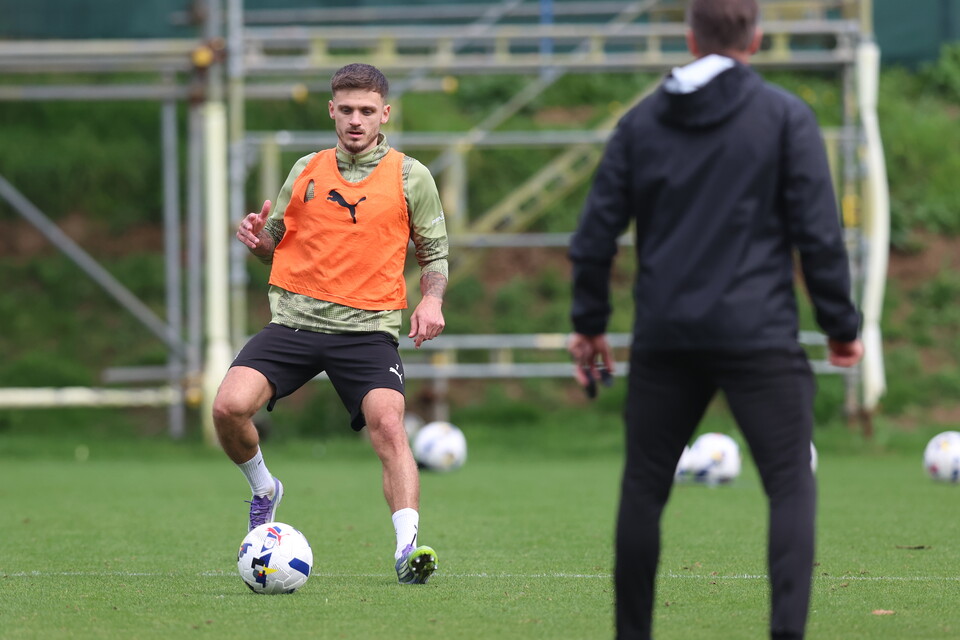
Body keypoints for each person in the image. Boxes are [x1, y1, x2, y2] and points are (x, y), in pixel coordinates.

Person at [567, 0, 864, 638]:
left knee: (644, 488)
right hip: (760, 335)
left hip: (666, 336)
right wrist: (841, 327)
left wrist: (589, 323)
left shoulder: (641, 122)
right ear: (755, 38)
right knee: (790, 484)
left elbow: (593, 238)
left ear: (690, 37)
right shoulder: (785, 116)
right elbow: (818, 236)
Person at [213, 63, 448, 585]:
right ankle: (264, 489)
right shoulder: (306, 168)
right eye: (346, 110)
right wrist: (258, 240)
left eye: (366, 110)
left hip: (368, 330)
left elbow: (434, 253)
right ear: (332, 111)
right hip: (295, 321)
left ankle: (407, 549)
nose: (356, 120)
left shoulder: (411, 176)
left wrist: (431, 300)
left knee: (389, 425)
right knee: (228, 408)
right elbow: (273, 243)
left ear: (385, 113)